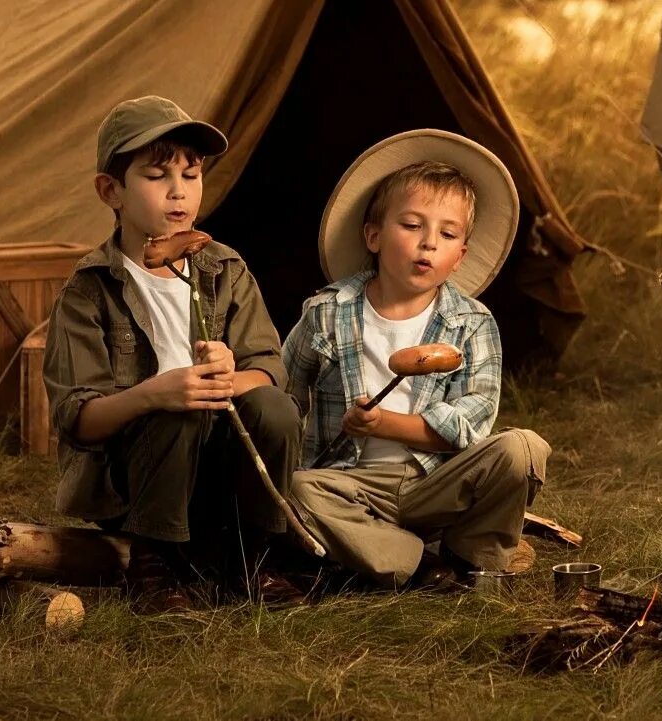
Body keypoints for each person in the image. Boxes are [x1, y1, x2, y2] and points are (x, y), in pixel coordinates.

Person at [44, 95, 303, 612]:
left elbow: (271, 370)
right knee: (176, 409)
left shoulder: (224, 270)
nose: (178, 192)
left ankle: (254, 559)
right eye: (157, 175)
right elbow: (77, 418)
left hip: (218, 464)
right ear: (111, 190)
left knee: (274, 409)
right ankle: (154, 562)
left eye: (191, 174)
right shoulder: (89, 290)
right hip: (137, 476)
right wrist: (152, 394)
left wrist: (230, 379)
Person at [286, 129, 550, 589]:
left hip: (434, 482)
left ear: (459, 255)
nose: (428, 243)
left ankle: (473, 556)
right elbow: (285, 395)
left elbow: (470, 424)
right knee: (297, 488)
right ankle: (422, 567)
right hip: (352, 487)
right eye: (411, 226)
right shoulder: (326, 312)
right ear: (373, 235)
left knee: (521, 447)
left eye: (446, 234)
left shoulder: (471, 323)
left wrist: (383, 424)